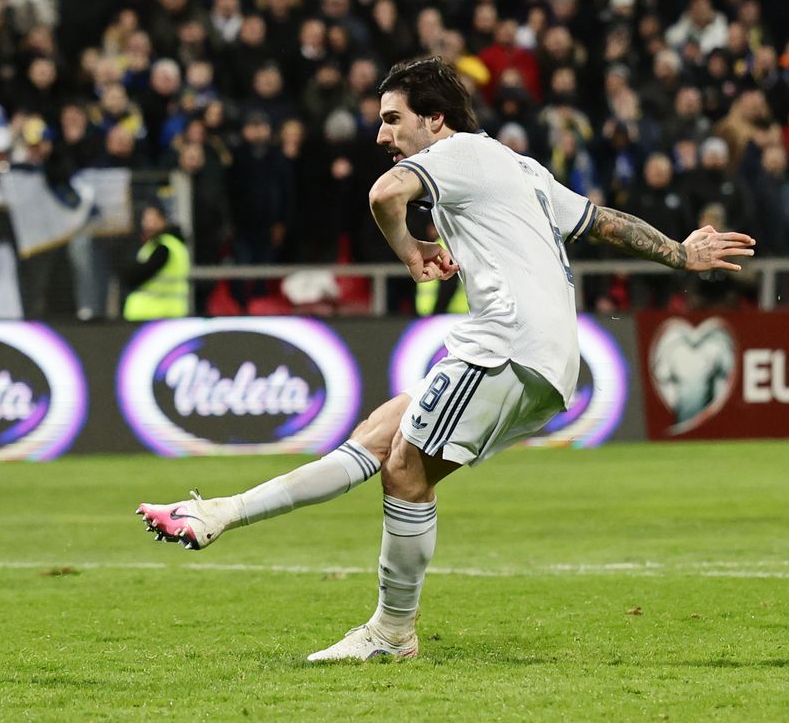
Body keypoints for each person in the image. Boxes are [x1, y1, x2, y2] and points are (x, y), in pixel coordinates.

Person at [141, 56, 755, 662]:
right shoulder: (519, 166)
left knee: (404, 471)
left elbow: (384, 196)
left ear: (435, 120)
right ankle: (218, 514)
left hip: (506, 344)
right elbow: (602, 222)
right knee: (380, 436)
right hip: (538, 355)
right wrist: (679, 252)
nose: (381, 134)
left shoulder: (455, 156)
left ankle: (390, 634)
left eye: (391, 118)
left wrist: (409, 249)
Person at [121, 202, 190, 321]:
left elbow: (134, 277)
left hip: (154, 316)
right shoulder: (171, 245)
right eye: (146, 219)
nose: (149, 225)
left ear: (163, 221)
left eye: (153, 219)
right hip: (167, 314)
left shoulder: (163, 248)